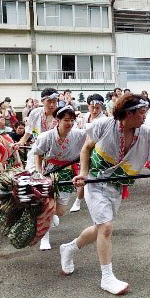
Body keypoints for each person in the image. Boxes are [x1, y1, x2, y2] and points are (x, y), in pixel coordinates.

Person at [60, 94, 150, 295]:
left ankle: (69, 248)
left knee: (100, 228)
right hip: (95, 182)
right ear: (129, 113)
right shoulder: (105, 124)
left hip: (117, 187)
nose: (144, 116)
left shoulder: (145, 133)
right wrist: (83, 173)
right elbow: (86, 148)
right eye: (141, 113)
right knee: (106, 227)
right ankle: (107, 278)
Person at [34, 106, 87, 250]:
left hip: (68, 173)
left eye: (72, 120)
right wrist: (39, 173)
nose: (69, 123)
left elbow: (94, 136)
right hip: (50, 172)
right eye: (66, 120)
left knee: (61, 210)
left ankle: (52, 215)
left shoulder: (79, 134)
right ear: (58, 120)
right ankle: (45, 238)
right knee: (47, 206)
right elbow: (38, 154)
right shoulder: (46, 136)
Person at [16, 88, 59, 171]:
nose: (52, 105)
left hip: (56, 150)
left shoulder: (61, 114)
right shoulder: (35, 113)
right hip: (38, 147)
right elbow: (29, 130)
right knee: (32, 173)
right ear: (42, 101)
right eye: (49, 101)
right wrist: (21, 142)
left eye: (54, 102)